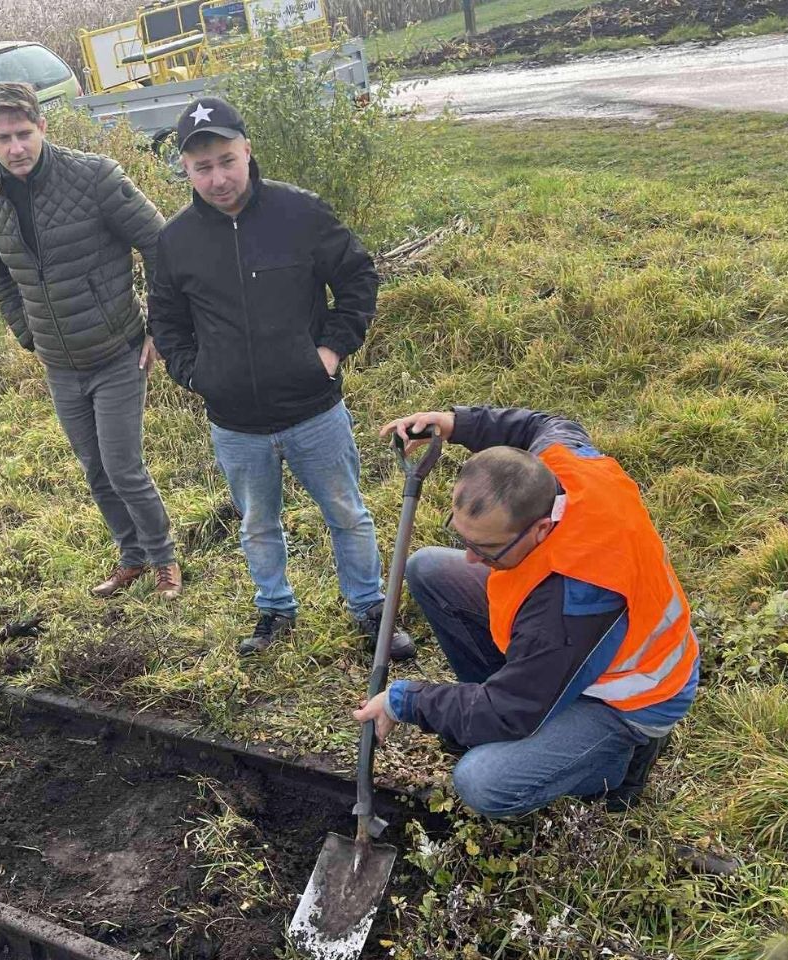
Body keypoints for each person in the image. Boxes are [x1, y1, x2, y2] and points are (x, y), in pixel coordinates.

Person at [148, 96, 414, 659]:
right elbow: (166, 321)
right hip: (235, 422)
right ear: (185, 169)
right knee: (257, 524)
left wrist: (331, 350)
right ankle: (274, 609)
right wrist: (198, 375)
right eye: (202, 167)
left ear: (247, 150)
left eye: (226, 160)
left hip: (313, 409)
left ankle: (369, 609)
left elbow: (358, 279)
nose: (217, 178)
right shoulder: (173, 243)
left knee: (347, 511)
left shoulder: (302, 213)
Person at [354, 406, 700, 815]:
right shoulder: (564, 461)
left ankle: (614, 767)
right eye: (464, 537)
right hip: (567, 652)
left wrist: (407, 701)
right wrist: (456, 423)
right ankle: (505, 708)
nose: (470, 558)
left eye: (486, 549)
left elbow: (511, 709)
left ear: (539, 529)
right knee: (430, 568)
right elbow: (541, 424)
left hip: (628, 700)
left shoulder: (571, 605)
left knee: (483, 782)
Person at [0, 82, 181, 600]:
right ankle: (130, 558)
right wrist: (26, 332)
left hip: (117, 351)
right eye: (3, 138)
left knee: (122, 466)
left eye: (24, 134)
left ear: (42, 128)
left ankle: (164, 561)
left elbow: (161, 243)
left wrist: (160, 325)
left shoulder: (95, 176)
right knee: (94, 469)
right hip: (59, 363)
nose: (15, 147)